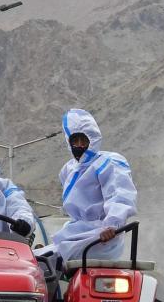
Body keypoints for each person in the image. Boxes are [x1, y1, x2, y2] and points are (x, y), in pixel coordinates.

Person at [39, 108, 137, 261]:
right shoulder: (69, 169)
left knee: (48, 261)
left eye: (83, 140)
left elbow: (120, 195)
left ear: (93, 138)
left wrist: (112, 225)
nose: (79, 145)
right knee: (35, 259)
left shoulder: (108, 162)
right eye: (74, 141)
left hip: (101, 237)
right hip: (76, 233)